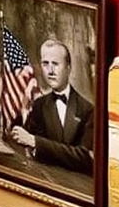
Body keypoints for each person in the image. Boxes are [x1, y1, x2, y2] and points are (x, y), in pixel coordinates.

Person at [9, 38, 94, 173]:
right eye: (45, 64)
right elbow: (21, 136)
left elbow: (84, 158)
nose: (50, 71)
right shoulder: (39, 104)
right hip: (44, 180)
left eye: (55, 64)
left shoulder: (88, 110)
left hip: (75, 187)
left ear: (68, 67)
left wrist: (36, 142)